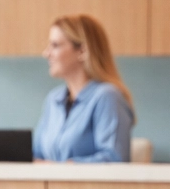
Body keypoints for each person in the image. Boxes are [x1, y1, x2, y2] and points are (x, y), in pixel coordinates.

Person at [34, 14, 135, 163]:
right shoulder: (53, 99)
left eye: (55, 45)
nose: (46, 54)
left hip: (88, 181)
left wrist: (63, 168)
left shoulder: (107, 97)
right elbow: (36, 153)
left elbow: (114, 159)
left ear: (82, 51)